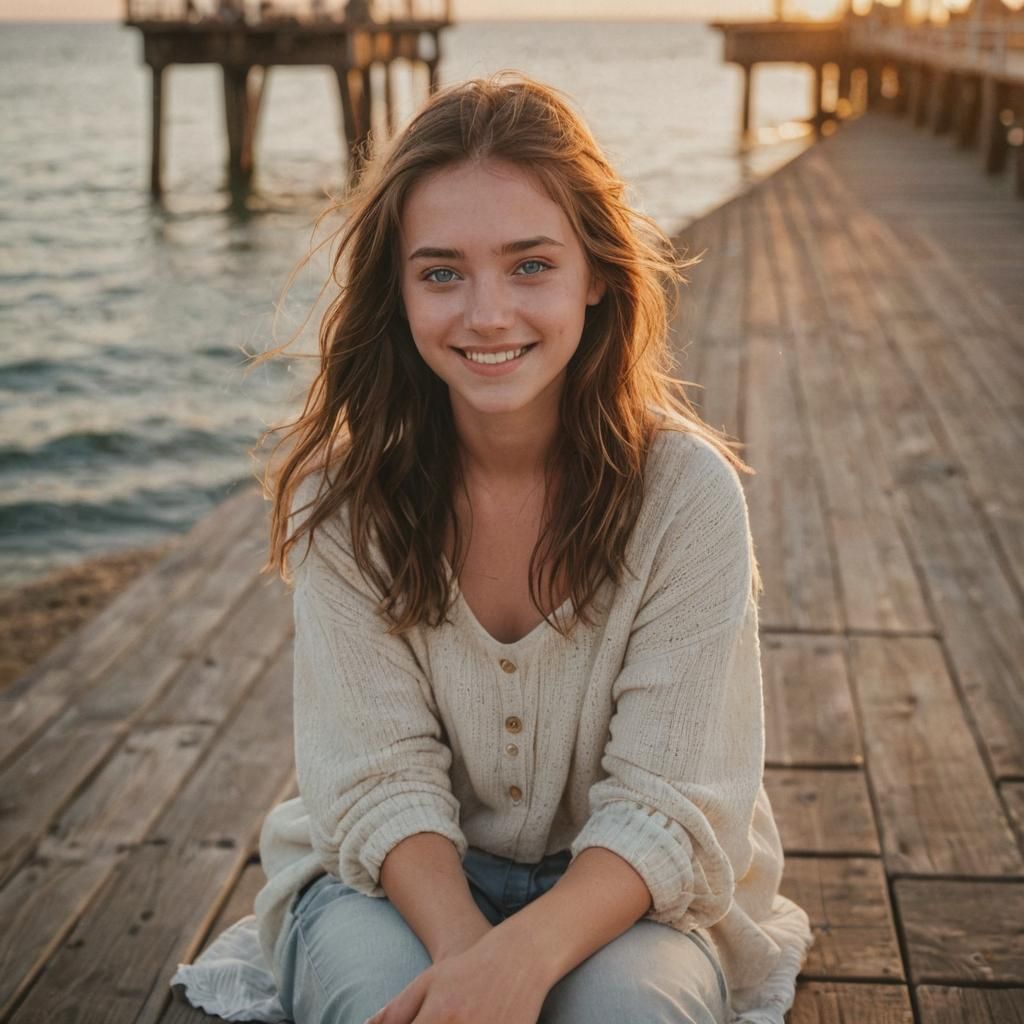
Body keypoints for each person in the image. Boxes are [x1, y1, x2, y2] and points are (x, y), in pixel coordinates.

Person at [171, 71, 814, 1024]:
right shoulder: (348, 505)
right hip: (395, 880)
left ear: (595, 272)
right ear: (397, 291)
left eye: (529, 265)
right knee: (389, 1002)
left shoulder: (686, 498)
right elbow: (379, 782)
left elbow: (671, 798)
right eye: (441, 272)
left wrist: (527, 957)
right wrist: (472, 958)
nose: (486, 314)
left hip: (631, 888)